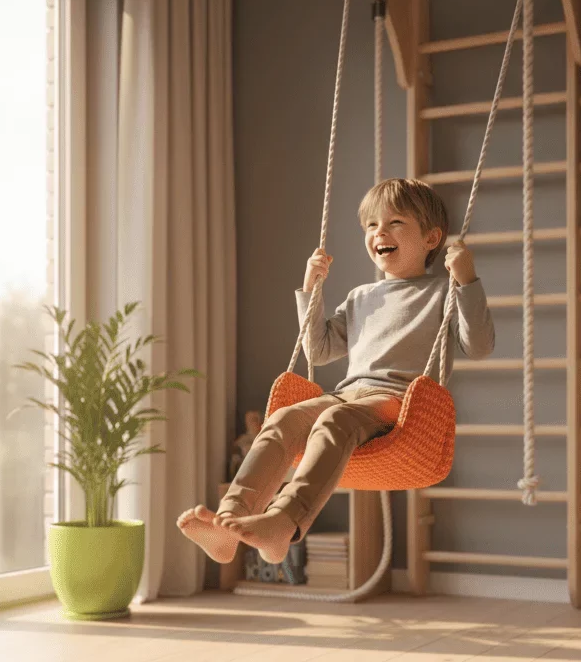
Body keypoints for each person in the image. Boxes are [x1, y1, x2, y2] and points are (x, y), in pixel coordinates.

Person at [177, 178, 495, 565]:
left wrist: (467, 279)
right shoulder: (361, 297)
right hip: (346, 394)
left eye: (395, 223)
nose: (380, 232)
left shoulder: (443, 292)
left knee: (334, 420)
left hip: (398, 403)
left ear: (431, 238)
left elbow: (479, 346)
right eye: (372, 225)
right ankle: (229, 522)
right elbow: (319, 348)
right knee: (283, 419)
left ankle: (285, 521)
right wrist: (310, 291)